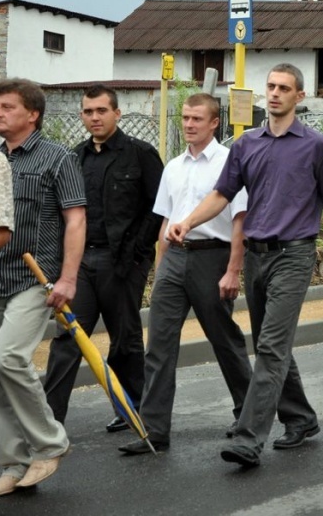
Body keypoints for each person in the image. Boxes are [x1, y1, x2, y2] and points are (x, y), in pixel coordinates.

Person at [167, 63, 323, 468]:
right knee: (273, 343)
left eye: (285, 87)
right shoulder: (246, 144)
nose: (276, 93)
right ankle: (300, 417)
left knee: (270, 347)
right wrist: (187, 221)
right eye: (271, 86)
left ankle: (249, 438)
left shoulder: (315, 145)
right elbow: (222, 194)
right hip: (256, 256)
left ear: (300, 97)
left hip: (295, 255)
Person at [118, 93, 252, 455]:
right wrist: (161, 270)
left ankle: (248, 415)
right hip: (175, 259)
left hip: (214, 256)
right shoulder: (173, 166)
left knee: (225, 341)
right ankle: (154, 430)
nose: (189, 124)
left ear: (214, 123)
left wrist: (233, 270)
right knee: (158, 345)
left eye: (197, 119)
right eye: (186, 118)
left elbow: (240, 220)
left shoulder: (230, 162)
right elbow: (166, 219)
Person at [44, 85, 164, 431]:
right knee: (68, 336)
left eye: (101, 111)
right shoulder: (74, 157)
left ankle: (133, 410)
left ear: (116, 113)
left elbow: (158, 208)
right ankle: (50, 421)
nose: (94, 117)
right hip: (81, 264)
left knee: (124, 339)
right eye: (88, 112)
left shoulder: (140, 153)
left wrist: (138, 252)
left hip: (123, 263)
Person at [0, 78, 85, 496]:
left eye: (6, 106)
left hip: (35, 277)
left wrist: (67, 277)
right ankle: (13, 462)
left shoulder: (58, 158)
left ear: (32, 114)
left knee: (9, 358)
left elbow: (75, 220)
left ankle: (50, 443)